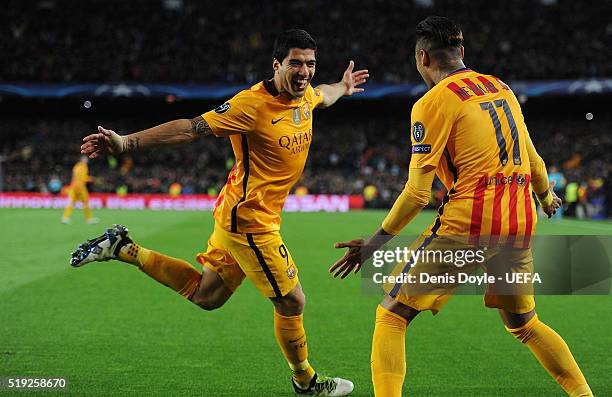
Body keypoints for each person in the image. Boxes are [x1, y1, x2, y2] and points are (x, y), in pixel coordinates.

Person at [70, 29, 368, 396]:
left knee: (206, 296)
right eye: (295, 63)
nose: (304, 71)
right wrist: (127, 142)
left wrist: (343, 85)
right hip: (250, 223)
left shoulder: (305, 93)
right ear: (277, 65)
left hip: (236, 214)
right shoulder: (250, 105)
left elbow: (325, 94)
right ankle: (306, 383)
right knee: (292, 300)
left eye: (310, 63)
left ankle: (123, 248)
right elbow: (189, 129)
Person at [330, 16, 593, 397]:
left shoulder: (431, 103)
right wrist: (545, 194)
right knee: (524, 324)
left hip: (470, 222)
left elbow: (418, 193)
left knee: (392, 314)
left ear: (422, 58)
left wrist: (373, 243)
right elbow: (533, 157)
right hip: (519, 220)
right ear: (462, 53)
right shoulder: (500, 87)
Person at [62, 156, 99, 224]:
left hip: (73, 186)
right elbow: (83, 178)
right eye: (85, 159)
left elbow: (75, 176)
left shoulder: (76, 166)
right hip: (80, 187)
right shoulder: (84, 166)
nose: (86, 160)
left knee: (71, 202)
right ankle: (89, 219)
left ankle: (65, 217)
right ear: (82, 160)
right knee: (85, 202)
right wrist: (90, 179)